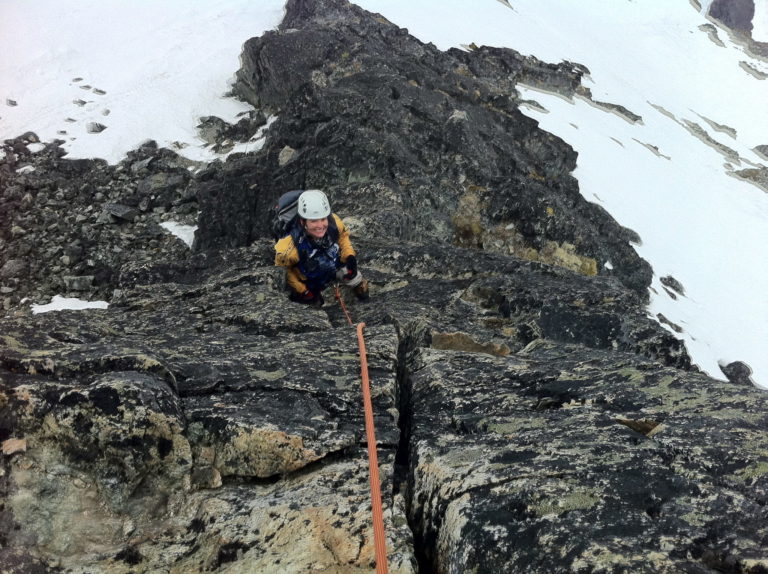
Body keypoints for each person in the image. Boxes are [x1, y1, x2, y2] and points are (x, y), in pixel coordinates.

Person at [274, 190, 369, 305]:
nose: (320, 226)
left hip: (332, 263)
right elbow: (285, 271)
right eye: (314, 221)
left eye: (323, 219)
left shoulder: (334, 223)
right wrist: (303, 291)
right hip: (309, 278)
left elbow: (343, 236)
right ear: (303, 221)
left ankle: (361, 291)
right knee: (313, 305)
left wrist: (349, 256)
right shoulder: (287, 249)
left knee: (354, 277)